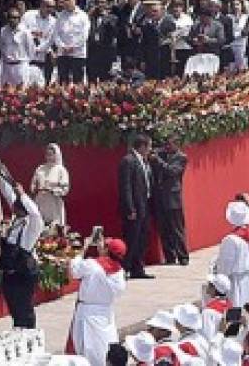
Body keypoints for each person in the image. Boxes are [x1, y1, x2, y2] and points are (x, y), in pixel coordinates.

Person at [66, 231, 128, 363]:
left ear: (107, 250)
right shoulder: (120, 273)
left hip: (87, 312)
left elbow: (74, 270)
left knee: (86, 348)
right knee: (105, 344)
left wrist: (84, 247)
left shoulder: (92, 265)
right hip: (106, 312)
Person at [0, 170, 45, 329]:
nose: (14, 209)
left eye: (18, 207)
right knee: (15, 311)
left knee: (24, 310)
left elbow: (35, 213)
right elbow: (9, 194)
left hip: (23, 275)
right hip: (10, 274)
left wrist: (23, 195)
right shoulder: (16, 222)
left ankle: (29, 334)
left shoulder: (32, 227)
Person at [216, 194, 249, 309]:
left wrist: (219, 280)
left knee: (237, 308)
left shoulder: (230, 240)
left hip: (236, 281)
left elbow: (224, 266)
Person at [117, 133, 154, 279]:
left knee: (141, 239)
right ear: (142, 146)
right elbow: (125, 187)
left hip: (144, 205)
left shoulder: (143, 162)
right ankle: (124, 269)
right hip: (134, 208)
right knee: (131, 240)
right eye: (149, 146)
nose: (150, 150)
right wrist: (130, 208)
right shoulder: (128, 161)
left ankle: (137, 269)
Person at [151, 138, 189, 265]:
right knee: (164, 229)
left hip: (173, 198)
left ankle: (183, 256)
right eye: (165, 143)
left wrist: (159, 161)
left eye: (169, 144)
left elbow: (172, 171)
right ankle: (169, 256)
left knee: (176, 229)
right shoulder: (161, 155)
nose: (166, 146)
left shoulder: (181, 157)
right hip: (160, 197)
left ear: (177, 145)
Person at [51, 0, 90, 85]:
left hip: (78, 54)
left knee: (78, 82)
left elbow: (84, 35)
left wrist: (73, 47)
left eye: (67, 0)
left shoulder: (83, 16)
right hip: (63, 53)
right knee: (63, 81)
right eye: (64, 0)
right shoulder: (60, 16)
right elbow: (56, 34)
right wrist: (63, 47)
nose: (65, 2)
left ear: (74, 0)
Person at [30, 142, 70, 226]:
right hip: (40, 202)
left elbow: (65, 189)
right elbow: (33, 184)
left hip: (54, 205)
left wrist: (52, 190)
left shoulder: (61, 170)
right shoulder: (40, 168)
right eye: (47, 154)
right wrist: (35, 188)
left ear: (56, 155)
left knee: (53, 231)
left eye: (51, 154)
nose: (49, 157)